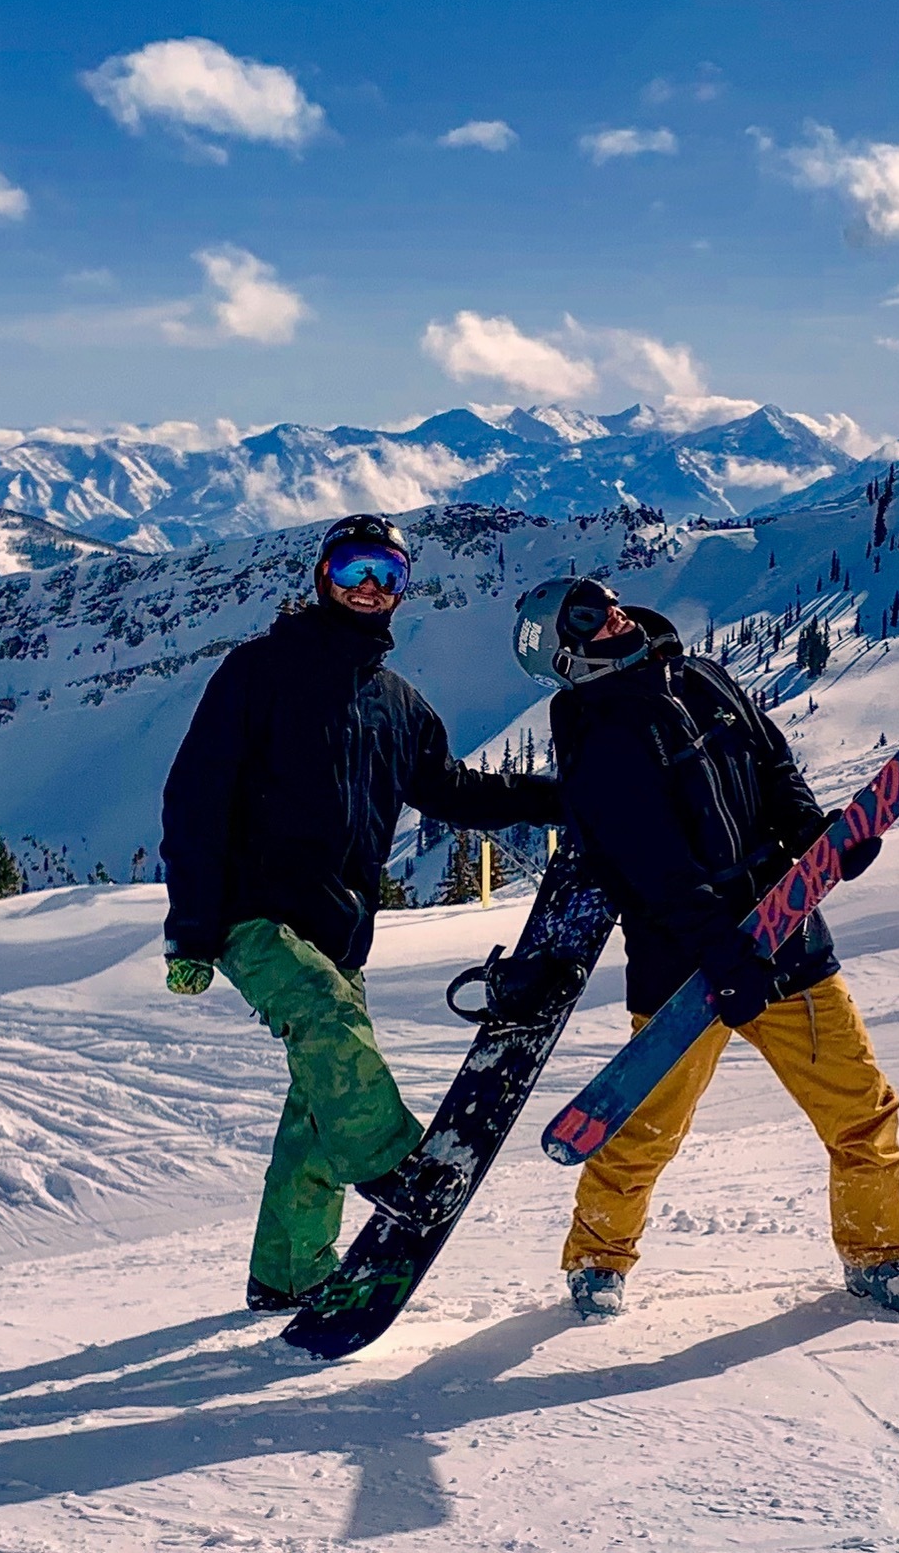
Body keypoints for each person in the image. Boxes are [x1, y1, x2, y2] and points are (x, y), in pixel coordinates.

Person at [161, 514, 568, 1313]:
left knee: (321, 1102)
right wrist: (191, 927)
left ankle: (286, 1270)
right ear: (322, 578)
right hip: (254, 913)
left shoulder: (396, 705)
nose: (369, 588)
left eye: (385, 572)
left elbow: (452, 790)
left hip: (339, 928)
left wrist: (564, 799)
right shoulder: (259, 672)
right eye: (352, 570)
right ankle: (394, 1167)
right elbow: (194, 795)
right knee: (324, 1024)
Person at [518, 576, 899, 1321]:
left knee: (860, 1107)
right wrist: (720, 951)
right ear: (563, 652)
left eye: (603, 594)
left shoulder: (698, 674)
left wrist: (813, 839)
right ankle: (596, 1257)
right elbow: (649, 866)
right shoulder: (592, 729)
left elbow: (772, 763)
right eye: (583, 611)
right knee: (644, 1124)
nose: (609, 608)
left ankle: (878, 1252)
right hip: (682, 960)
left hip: (783, 926)